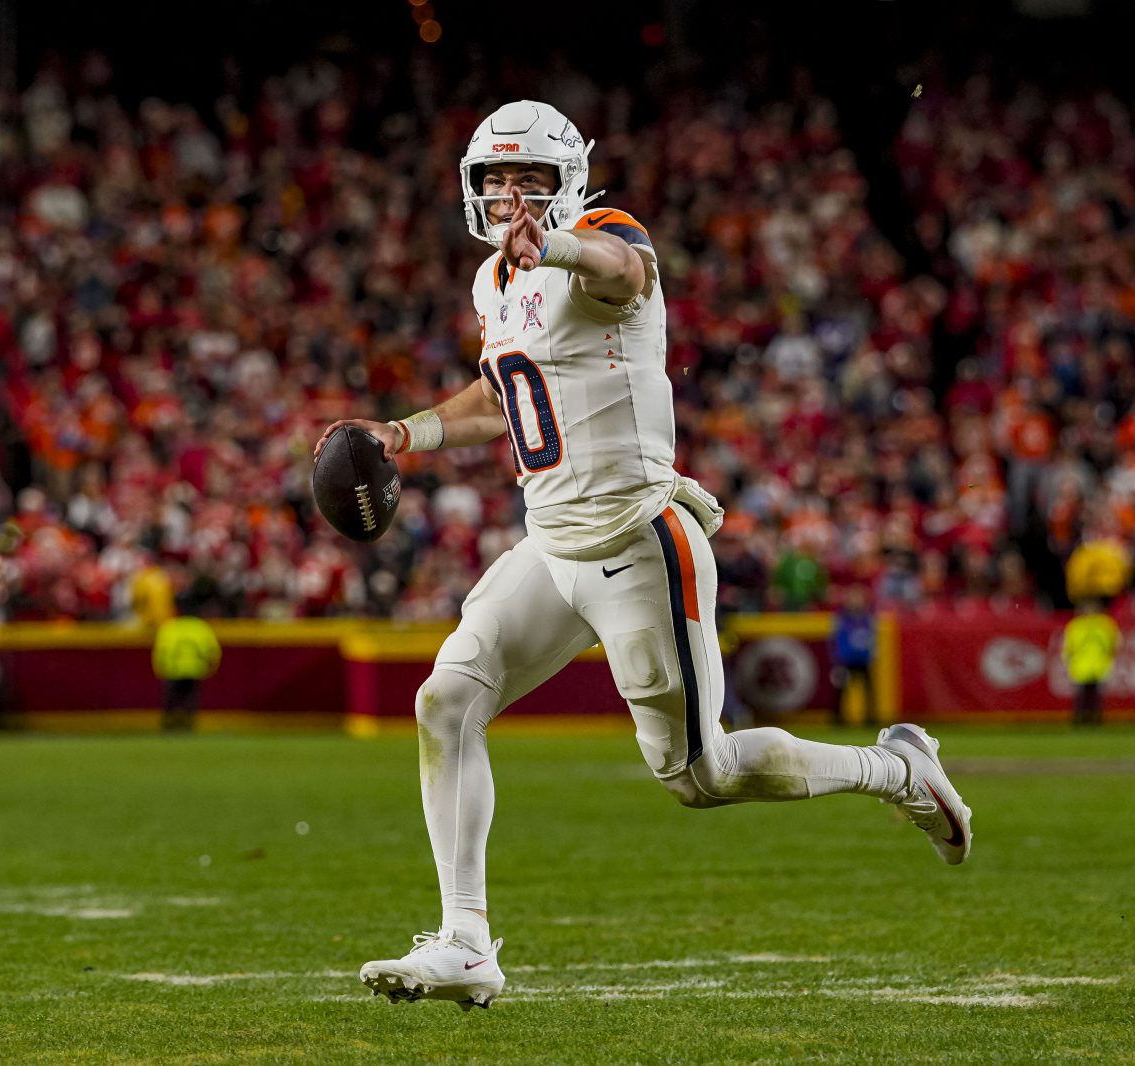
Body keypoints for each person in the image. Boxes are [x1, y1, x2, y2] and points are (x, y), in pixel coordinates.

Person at [316, 101, 972, 1010]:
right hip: (552, 544)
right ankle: (466, 939)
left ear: (565, 186)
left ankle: (898, 769)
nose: (510, 198)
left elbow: (621, 271)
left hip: (637, 540)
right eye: (495, 181)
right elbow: (503, 391)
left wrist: (557, 247)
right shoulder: (493, 282)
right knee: (446, 700)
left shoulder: (597, 238)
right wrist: (404, 432)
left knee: (701, 776)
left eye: (530, 181)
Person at [151, 596, 222, 732]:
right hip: (195, 670)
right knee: (189, 699)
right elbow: (213, 651)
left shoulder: (170, 626)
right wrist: (211, 667)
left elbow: (160, 651)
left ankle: (169, 725)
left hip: (173, 670)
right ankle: (188, 724)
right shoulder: (201, 627)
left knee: (171, 700)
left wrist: (159, 668)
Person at [1062, 598, 1118, 727]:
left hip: (1096, 664)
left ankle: (1094, 719)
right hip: (1083, 664)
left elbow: (1114, 643)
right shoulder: (1078, 625)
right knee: (1083, 695)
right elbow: (1068, 645)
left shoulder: (1104, 624)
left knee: (1094, 695)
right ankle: (1081, 719)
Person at [830, 583, 877, 727]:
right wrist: (838, 658)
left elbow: (872, 638)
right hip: (846, 660)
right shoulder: (841, 618)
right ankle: (838, 718)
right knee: (841, 691)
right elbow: (835, 638)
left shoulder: (867, 617)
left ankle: (870, 717)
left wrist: (871, 654)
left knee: (868, 689)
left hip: (862, 659)